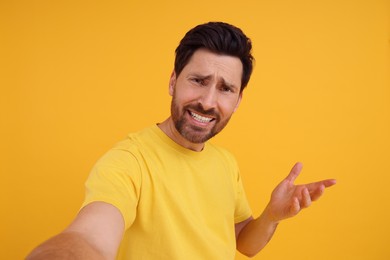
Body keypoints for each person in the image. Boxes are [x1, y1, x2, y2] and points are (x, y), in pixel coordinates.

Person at [27, 22, 336, 259]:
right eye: (198, 81)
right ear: (173, 81)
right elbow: (91, 237)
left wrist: (270, 216)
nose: (207, 101)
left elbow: (245, 243)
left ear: (238, 99)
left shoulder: (225, 162)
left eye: (225, 88)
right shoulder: (129, 161)